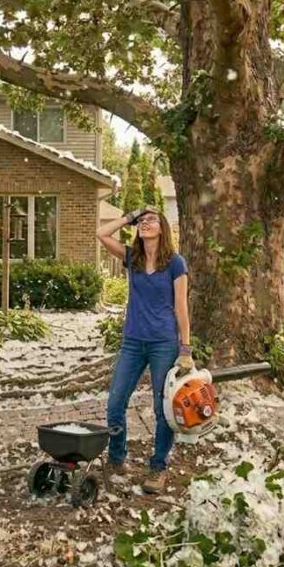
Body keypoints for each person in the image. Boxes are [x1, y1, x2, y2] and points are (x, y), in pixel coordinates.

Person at [96, 205, 192, 494]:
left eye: (151, 220)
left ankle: (158, 466)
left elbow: (181, 307)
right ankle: (117, 458)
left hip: (163, 343)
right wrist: (130, 215)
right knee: (115, 402)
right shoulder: (132, 258)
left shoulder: (175, 263)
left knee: (163, 408)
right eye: (141, 221)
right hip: (133, 342)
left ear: (162, 228)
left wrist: (185, 348)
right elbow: (101, 233)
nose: (145, 223)